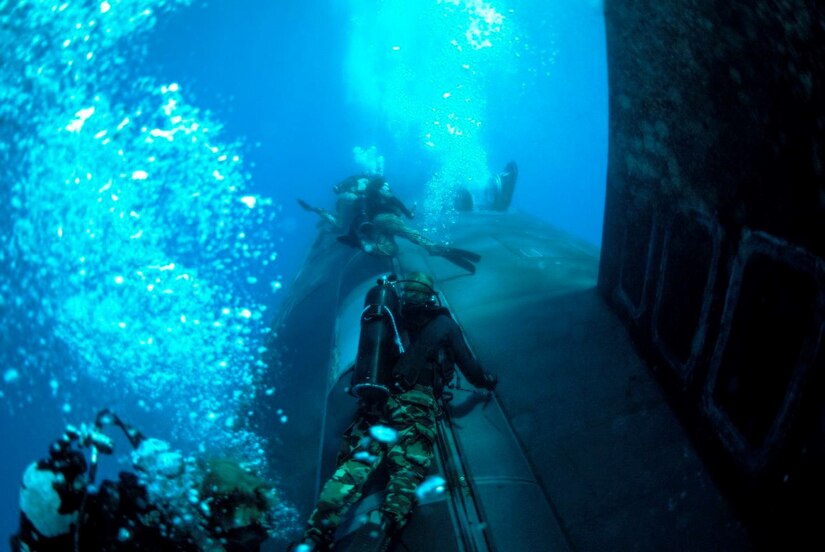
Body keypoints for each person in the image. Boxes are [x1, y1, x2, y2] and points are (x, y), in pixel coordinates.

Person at [293, 272, 498, 552]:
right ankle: (385, 522)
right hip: (416, 403)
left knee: (354, 468)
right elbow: (470, 368)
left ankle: (315, 534)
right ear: (429, 294)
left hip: (377, 402)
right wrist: (487, 381)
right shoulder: (444, 324)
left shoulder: (391, 317)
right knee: (407, 470)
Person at [10, 409, 284, 552]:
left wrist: (147, 455)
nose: (84, 484)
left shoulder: (101, 510)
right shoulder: (108, 538)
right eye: (77, 486)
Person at [300, 174, 482, 273]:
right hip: (384, 220)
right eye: (384, 186)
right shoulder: (372, 193)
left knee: (391, 250)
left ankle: (364, 245)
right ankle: (434, 248)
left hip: (377, 224)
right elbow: (386, 207)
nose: (388, 188)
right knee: (411, 234)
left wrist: (410, 211)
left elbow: (402, 210)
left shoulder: (373, 197)